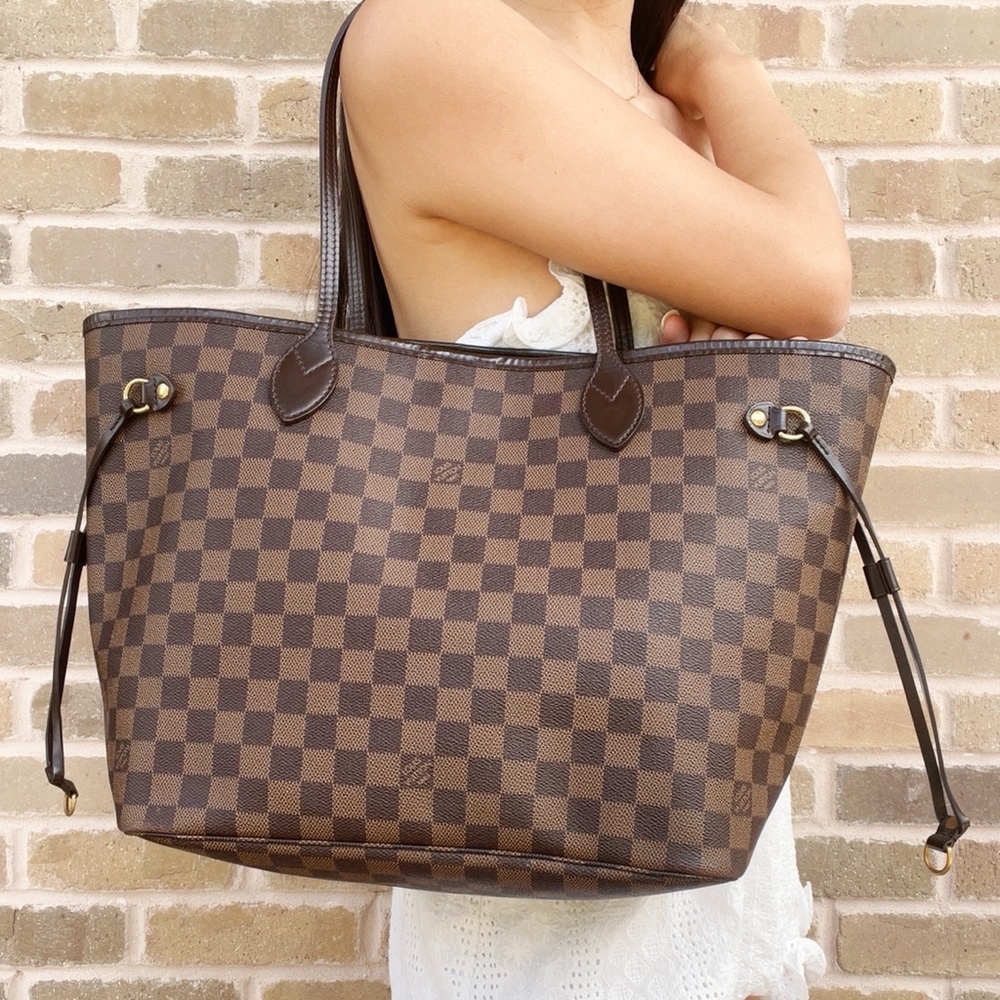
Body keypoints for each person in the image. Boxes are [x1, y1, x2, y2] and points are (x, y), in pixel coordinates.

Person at [339, 0, 851, 996]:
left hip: (702, 781)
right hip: (536, 828)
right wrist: (720, 68)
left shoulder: (664, 106)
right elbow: (812, 275)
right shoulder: (430, 33)